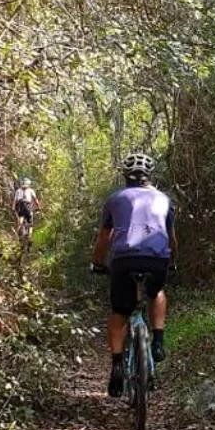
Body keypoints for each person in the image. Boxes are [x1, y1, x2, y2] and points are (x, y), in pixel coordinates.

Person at [92, 152, 177, 396]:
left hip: (124, 259)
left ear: (125, 176)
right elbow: (172, 238)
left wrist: (97, 263)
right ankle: (158, 340)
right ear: (149, 175)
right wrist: (172, 262)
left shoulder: (115, 199)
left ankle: (117, 366)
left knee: (119, 313)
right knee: (157, 291)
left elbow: (103, 238)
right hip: (157, 258)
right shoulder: (164, 199)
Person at [12, 175, 40, 244]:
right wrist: (38, 207)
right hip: (27, 206)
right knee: (30, 223)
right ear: (29, 184)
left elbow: (15, 200)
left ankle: (20, 226)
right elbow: (35, 199)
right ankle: (30, 237)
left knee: (21, 217)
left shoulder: (18, 190)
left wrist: (13, 207)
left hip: (20, 206)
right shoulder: (31, 190)